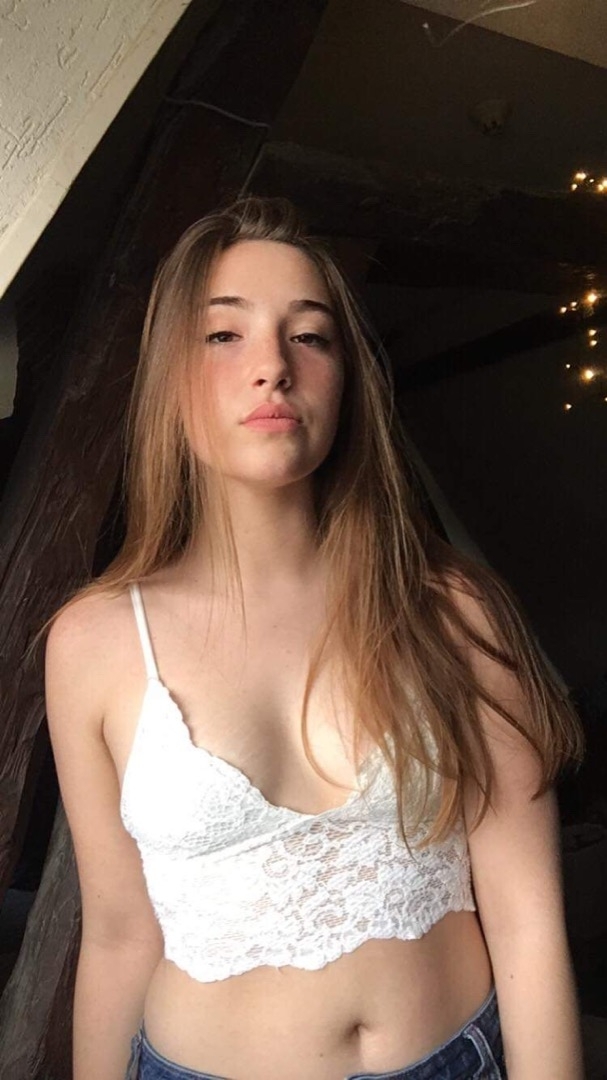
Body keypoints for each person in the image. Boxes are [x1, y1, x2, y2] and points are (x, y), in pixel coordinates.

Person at [43, 194, 585, 1080]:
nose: (272, 367)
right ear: (168, 377)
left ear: (345, 380)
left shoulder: (449, 610)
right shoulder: (93, 642)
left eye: (309, 336)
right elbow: (117, 933)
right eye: (224, 334)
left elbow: (526, 912)